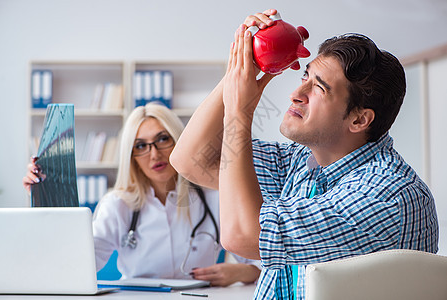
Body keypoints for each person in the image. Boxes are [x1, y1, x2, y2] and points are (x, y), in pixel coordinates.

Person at [169, 8, 439, 300]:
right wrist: (240, 69)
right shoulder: (301, 162)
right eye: (306, 76)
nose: (297, 93)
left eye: (319, 89)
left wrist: (240, 111)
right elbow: (190, 160)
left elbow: (242, 236)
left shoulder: (386, 195)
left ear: (359, 120)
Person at [23, 102, 261, 287]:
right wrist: (45, 202)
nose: (154, 154)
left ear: (180, 141)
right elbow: (74, 266)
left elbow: (263, 260)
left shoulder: (214, 197)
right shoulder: (117, 205)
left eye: (163, 139)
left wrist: (244, 272)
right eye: (140, 146)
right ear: (131, 157)